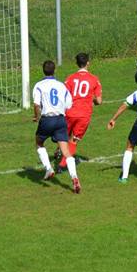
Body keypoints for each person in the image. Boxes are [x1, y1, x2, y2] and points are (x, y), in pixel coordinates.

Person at [32, 60, 81, 194]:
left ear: (43, 70)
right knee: (66, 151)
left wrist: (36, 117)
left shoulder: (39, 85)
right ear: (54, 71)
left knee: (39, 143)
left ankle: (48, 169)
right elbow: (68, 105)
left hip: (47, 119)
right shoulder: (61, 86)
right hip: (60, 120)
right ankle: (74, 177)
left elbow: (36, 104)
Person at [60, 53, 103, 171]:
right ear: (88, 63)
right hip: (84, 115)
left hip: (69, 112)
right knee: (74, 140)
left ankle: (60, 151)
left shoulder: (70, 78)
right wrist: (91, 99)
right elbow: (99, 101)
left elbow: (63, 95)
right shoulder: (94, 79)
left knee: (64, 136)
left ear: (77, 63)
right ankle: (62, 165)